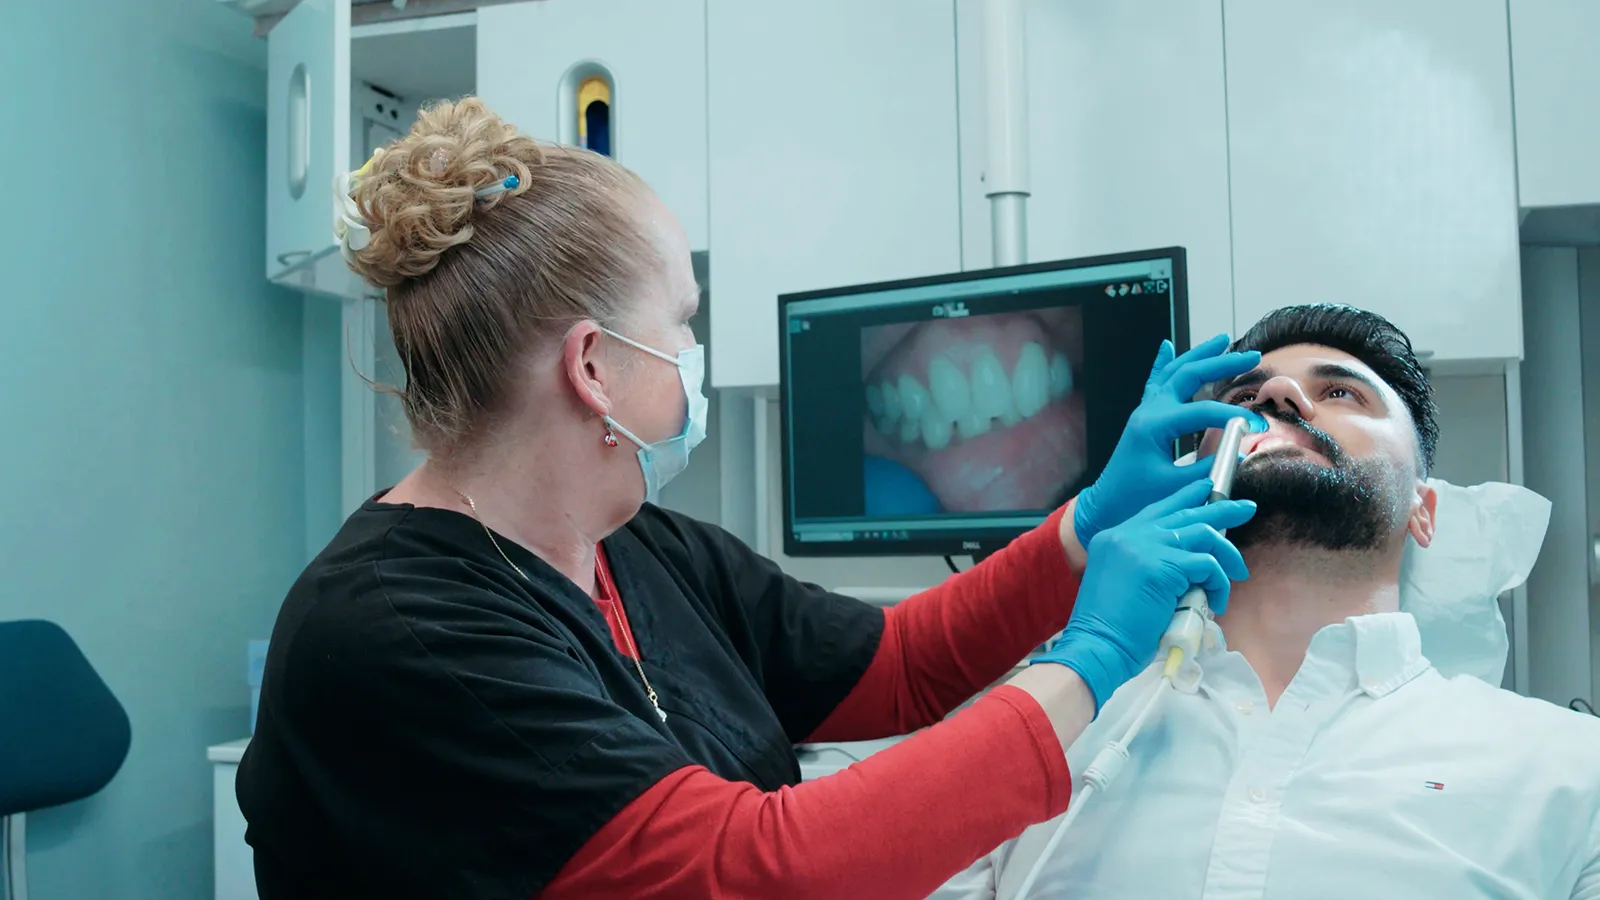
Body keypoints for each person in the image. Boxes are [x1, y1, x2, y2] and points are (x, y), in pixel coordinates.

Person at [233, 97, 1268, 900]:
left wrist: (1082, 530)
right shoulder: (399, 634)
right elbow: (759, 874)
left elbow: (896, 664)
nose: (692, 356)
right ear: (594, 367)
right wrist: (1088, 660)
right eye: (682, 322)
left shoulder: (637, 549)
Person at [934, 304, 1600, 900]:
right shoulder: (1040, 736)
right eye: (1245, 395)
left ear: (1424, 512)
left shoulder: (1571, 772)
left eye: (1340, 391)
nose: (1276, 393)